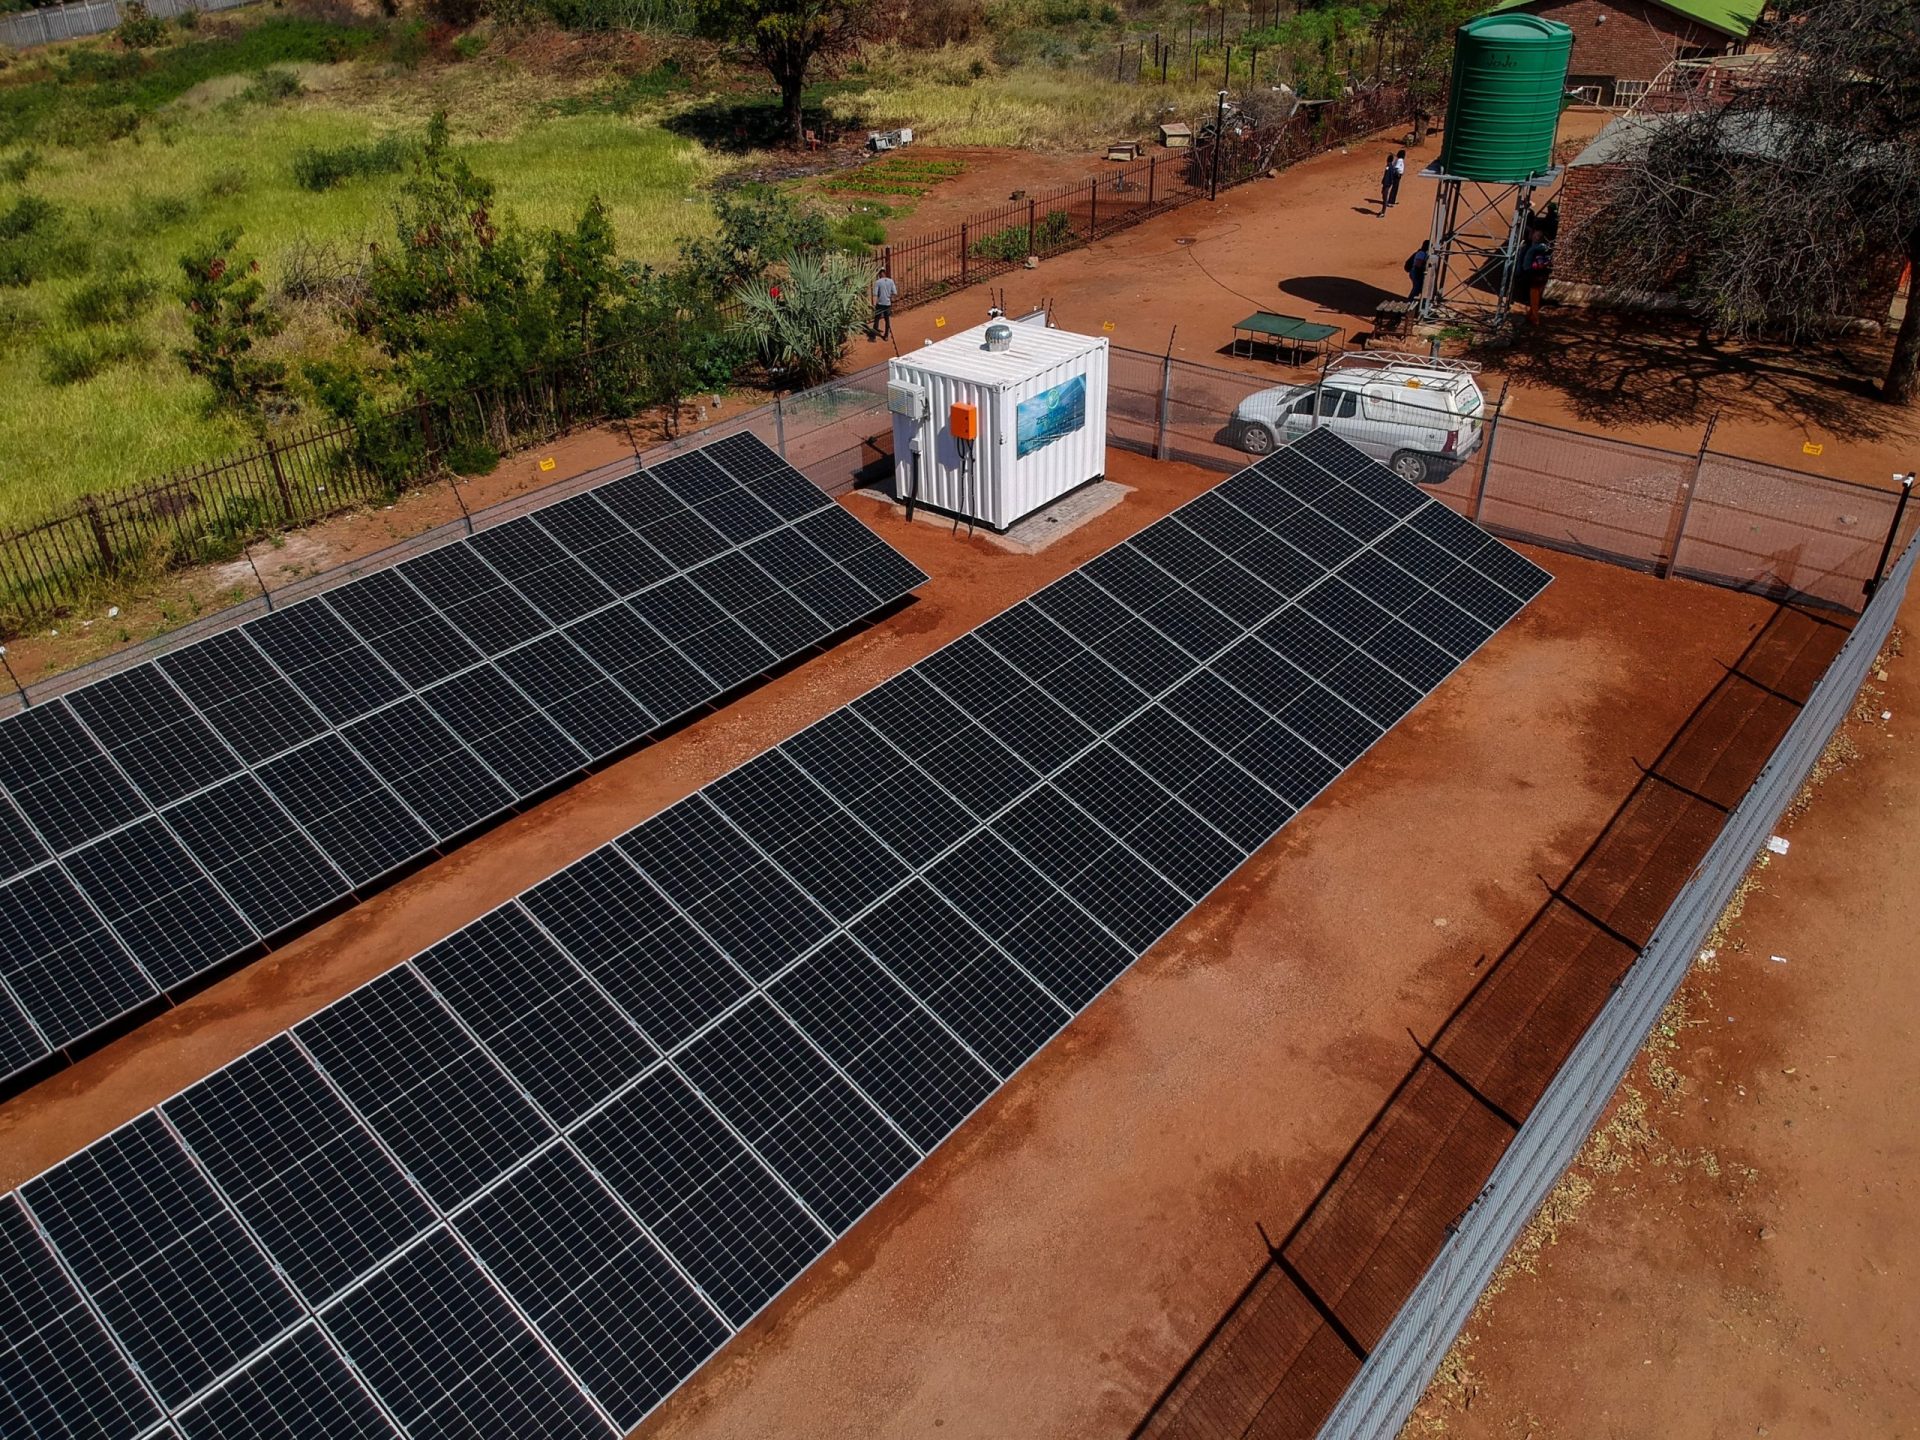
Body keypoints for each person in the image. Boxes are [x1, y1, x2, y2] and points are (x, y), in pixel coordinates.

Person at [1518, 227, 1554, 324]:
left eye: (1537, 235)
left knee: (1534, 297)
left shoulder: (1536, 248)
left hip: (1535, 275)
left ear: (1540, 238)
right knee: (1535, 297)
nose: (1535, 236)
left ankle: (1535, 318)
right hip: (1540, 275)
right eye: (1535, 234)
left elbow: (1530, 262)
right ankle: (1530, 316)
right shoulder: (1545, 247)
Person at [871, 267, 897, 340]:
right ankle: (886, 336)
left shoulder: (878, 282)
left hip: (880, 304)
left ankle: (874, 336)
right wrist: (889, 297)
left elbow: (875, 294)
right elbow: (895, 293)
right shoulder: (891, 281)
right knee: (887, 320)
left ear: (879, 274)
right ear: (884, 273)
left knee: (876, 319)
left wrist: (874, 304)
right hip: (887, 304)